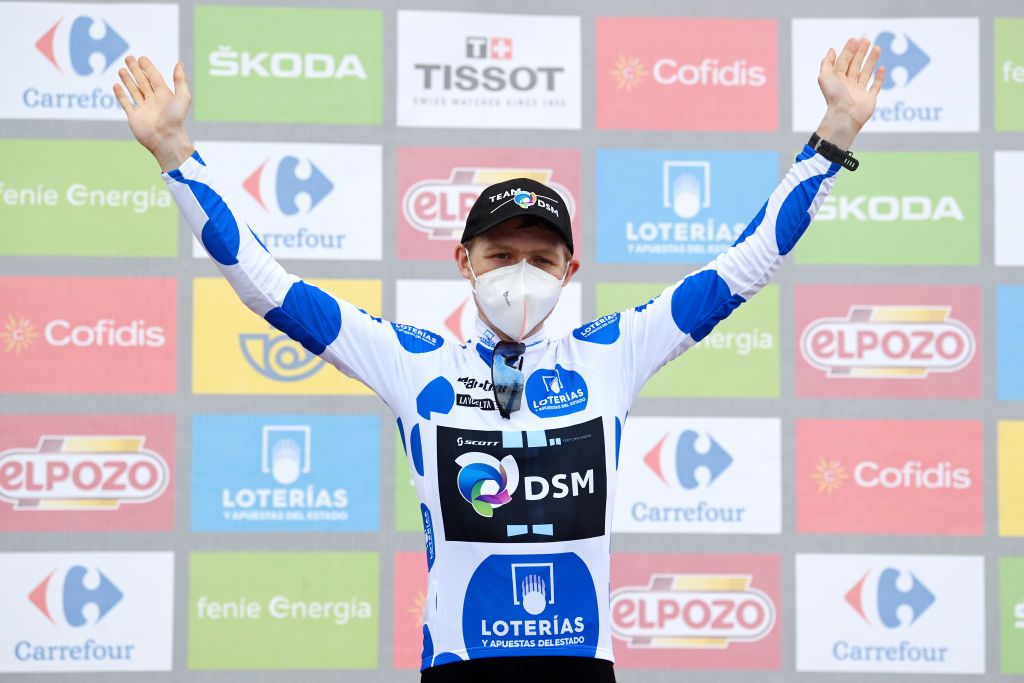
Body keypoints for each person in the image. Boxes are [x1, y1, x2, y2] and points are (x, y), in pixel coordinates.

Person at [114, 36, 884, 683]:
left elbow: (745, 264)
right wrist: (177, 154)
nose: (522, 272)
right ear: (464, 259)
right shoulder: (410, 362)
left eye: (541, 258)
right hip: (458, 666)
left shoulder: (613, 351)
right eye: (501, 253)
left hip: (582, 666)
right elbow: (268, 289)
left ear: (569, 272)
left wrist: (835, 133)